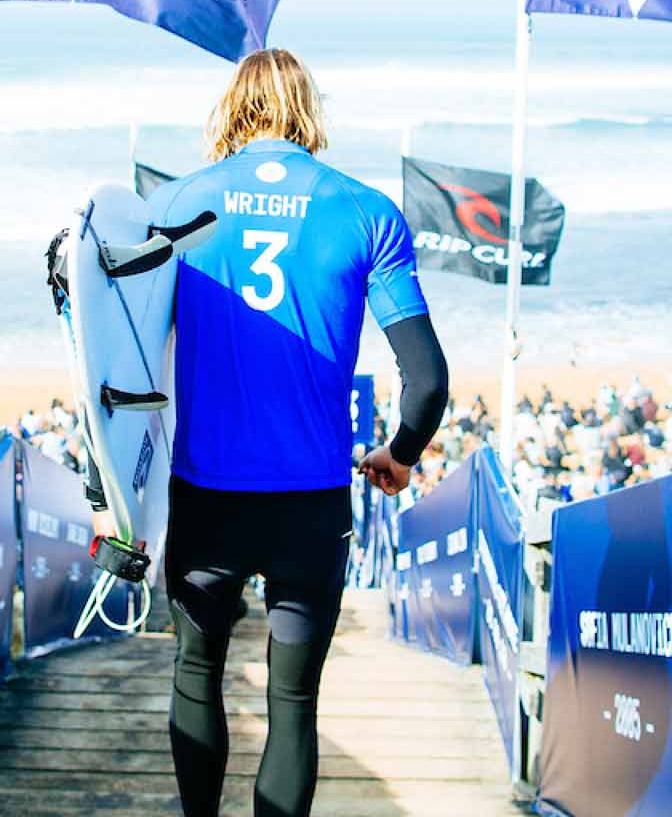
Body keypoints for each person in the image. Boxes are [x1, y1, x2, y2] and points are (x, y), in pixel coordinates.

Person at [87, 49, 448, 817]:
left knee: (196, 672)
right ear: (309, 110)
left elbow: (114, 358)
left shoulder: (174, 205)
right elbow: (429, 383)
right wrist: (398, 454)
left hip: (206, 498)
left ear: (230, 109)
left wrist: (117, 486)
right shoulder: (364, 211)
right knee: (292, 704)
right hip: (311, 508)